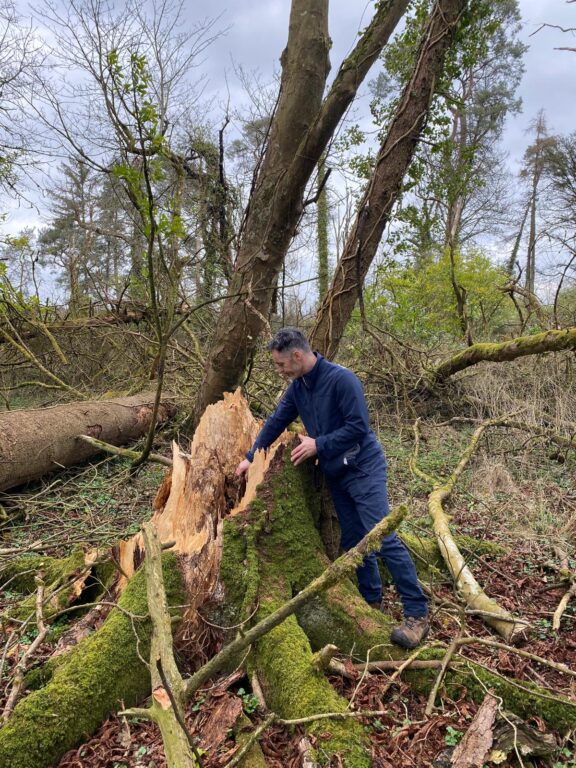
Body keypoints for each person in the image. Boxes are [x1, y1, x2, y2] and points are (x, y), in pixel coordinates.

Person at [235, 327, 429, 649]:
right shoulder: (299, 387)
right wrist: (250, 457)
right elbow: (276, 421)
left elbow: (358, 427)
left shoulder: (342, 380)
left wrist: (318, 445)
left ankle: (417, 615)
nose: (280, 372)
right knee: (354, 542)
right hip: (336, 474)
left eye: (282, 365)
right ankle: (370, 602)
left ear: (297, 356)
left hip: (364, 468)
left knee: (382, 536)